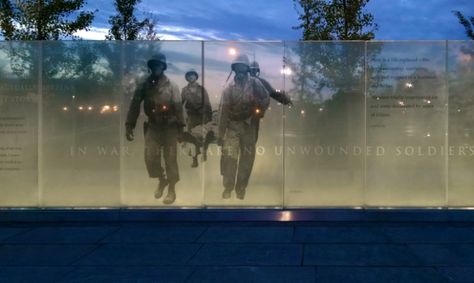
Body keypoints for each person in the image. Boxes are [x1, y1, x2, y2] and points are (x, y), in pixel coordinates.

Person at [125, 53, 185, 205]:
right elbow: (135, 105)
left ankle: (171, 189)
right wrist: (129, 124)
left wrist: (181, 128)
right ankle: (162, 179)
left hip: (170, 126)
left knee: (170, 159)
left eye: (158, 65)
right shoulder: (144, 84)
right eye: (153, 65)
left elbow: (178, 108)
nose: (155, 68)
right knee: (150, 157)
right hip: (153, 126)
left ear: (163, 67)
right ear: (150, 67)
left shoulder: (172, 85)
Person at [218, 54, 269, 200]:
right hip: (232, 127)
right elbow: (223, 112)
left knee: (247, 159)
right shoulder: (228, 89)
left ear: (247, 69)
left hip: (249, 126)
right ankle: (228, 187)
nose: (240, 70)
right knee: (229, 158)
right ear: (234, 69)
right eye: (237, 67)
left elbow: (265, 97)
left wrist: (259, 112)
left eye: (242, 67)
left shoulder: (254, 83)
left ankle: (241, 188)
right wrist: (220, 135)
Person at [180, 69, 213, 167]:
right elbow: (180, 103)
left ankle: (204, 153)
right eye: (189, 75)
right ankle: (194, 159)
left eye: (192, 75)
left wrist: (208, 116)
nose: (191, 77)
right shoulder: (184, 90)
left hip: (202, 116)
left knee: (203, 136)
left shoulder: (201, 89)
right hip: (191, 117)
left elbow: (207, 103)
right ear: (187, 78)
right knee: (192, 138)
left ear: (195, 77)